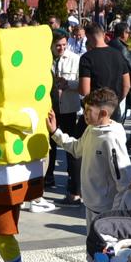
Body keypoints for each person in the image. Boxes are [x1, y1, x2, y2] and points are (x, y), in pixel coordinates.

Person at [46, 88, 131, 262]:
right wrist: (56, 133)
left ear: (104, 112)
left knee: (97, 259)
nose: (85, 114)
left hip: (104, 214)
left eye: (89, 111)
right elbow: (76, 149)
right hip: (92, 207)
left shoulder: (112, 137)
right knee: (94, 259)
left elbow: (124, 181)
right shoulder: (92, 130)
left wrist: (113, 215)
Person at [48, 30, 83, 205]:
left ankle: (72, 178)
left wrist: (68, 84)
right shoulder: (45, 58)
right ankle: (48, 176)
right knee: (50, 145)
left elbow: (82, 83)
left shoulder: (75, 59)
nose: (61, 48)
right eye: (57, 45)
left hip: (69, 108)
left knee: (70, 144)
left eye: (63, 45)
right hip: (50, 108)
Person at [78, 24, 131, 123]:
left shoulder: (86, 58)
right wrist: (117, 101)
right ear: (103, 35)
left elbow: (84, 90)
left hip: (95, 111)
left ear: (88, 37)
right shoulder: (119, 54)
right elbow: (127, 85)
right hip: (113, 109)